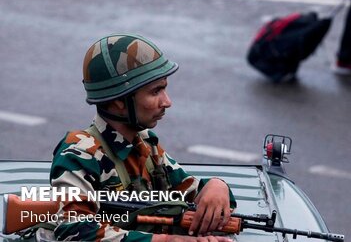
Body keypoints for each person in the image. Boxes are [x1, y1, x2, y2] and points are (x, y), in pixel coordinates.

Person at [49, 34, 236, 242]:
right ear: (120, 100)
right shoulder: (79, 153)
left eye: (164, 88)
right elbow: (75, 232)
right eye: (156, 91)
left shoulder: (145, 145)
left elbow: (190, 190)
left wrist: (218, 187)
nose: (167, 102)